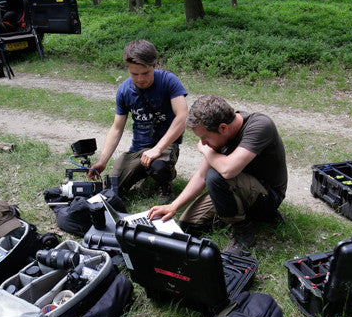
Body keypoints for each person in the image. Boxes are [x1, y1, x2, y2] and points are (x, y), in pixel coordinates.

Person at [148, 95, 287, 254]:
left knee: (216, 176)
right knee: (189, 224)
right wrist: (173, 206)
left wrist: (207, 151)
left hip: (268, 195)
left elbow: (228, 170)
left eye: (205, 138)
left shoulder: (260, 125)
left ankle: (243, 233)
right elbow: (201, 176)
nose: (203, 143)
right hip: (235, 186)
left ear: (223, 128)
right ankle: (247, 214)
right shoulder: (219, 135)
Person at [88, 39, 188, 202]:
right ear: (127, 68)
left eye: (145, 73)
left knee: (159, 167)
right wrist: (102, 161)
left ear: (154, 65)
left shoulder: (168, 80)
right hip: (138, 150)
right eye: (135, 74)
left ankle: (165, 185)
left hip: (164, 146)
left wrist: (158, 148)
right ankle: (142, 171)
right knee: (112, 189)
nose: (140, 79)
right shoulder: (124, 90)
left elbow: (182, 116)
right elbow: (117, 128)